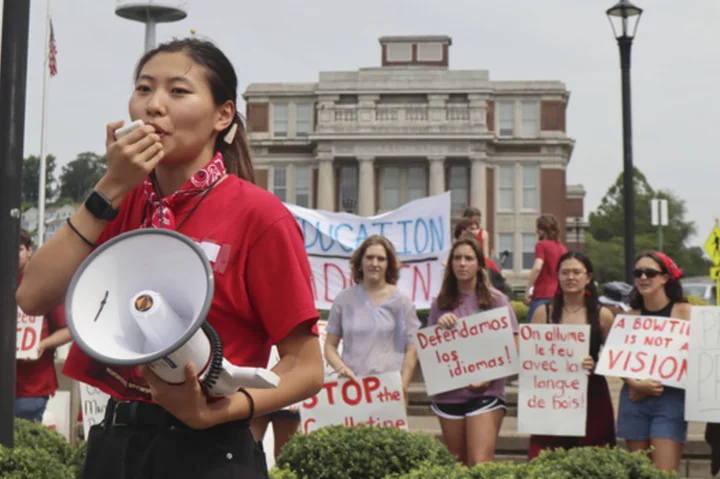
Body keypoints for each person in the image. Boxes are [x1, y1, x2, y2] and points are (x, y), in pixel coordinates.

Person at [16, 38, 323, 479]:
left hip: (212, 450)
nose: (154, 105)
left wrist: (217, 412)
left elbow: (306, 367)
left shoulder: (259, 216)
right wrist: (109, 189)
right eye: (143, 89)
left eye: (178, 92)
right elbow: (32, 295)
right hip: (116, 443)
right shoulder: (117, 201)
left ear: (223, 115)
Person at [427, 235, 519, 466]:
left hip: (486, 394)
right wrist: (440, 327)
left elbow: (515, 343)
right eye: (457, 258)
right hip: (449, 394)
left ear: (479, 264)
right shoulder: (440, 303)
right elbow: (431, 350)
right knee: (458, 465)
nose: (462, 263)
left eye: (469, 258)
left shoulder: (496, 300)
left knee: (480, 463)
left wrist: (489, 376)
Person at [527, 252, 616, 459]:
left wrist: (595, 365)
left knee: (592, 459)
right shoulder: (544, 312)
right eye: (565, 272)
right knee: (545, 458)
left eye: (577, 272)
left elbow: (616, 359)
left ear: (588, 277)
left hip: (591, 395)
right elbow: (529, 356)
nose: (571, 277)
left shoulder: (602, 314)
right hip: (551, 395)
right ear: (557, 276)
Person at [616, 251, 691, 473]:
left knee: (664, 474)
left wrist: (652, 386)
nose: (643, 278)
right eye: (638, 273)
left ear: (665, 278)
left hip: (671, 400)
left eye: (650, 272)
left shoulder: (685, 312)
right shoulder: (629, 317)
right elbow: (617, 360)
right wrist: (635, 384)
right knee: (638, 473)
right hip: (634, 398)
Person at [324, 235, 420, 404]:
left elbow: (412, 349)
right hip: (352, 389)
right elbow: (330, 345)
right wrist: (341, 368)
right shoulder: (343, 300)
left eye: (381, 259)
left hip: (389, 390)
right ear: (360, 262)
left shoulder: (402, 301)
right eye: (369, 257)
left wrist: (403, 385)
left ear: (388, 264)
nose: (374, 263)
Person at [15, 229, 72, 422]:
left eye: (19, 249)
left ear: (30, 250)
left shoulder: (44, 284)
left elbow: (69, 329)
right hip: (8, 385)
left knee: (23, 445)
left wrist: (43, 344)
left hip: (32, 387)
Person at [525, 214, 567, 323]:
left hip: (542, 294)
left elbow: (537, 268)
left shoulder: (541, 245)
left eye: (538, 228)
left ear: (543, 229)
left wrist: (528, 289)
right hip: (558, 295)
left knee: (532, 333)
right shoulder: (563, 248)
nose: (536, 231)